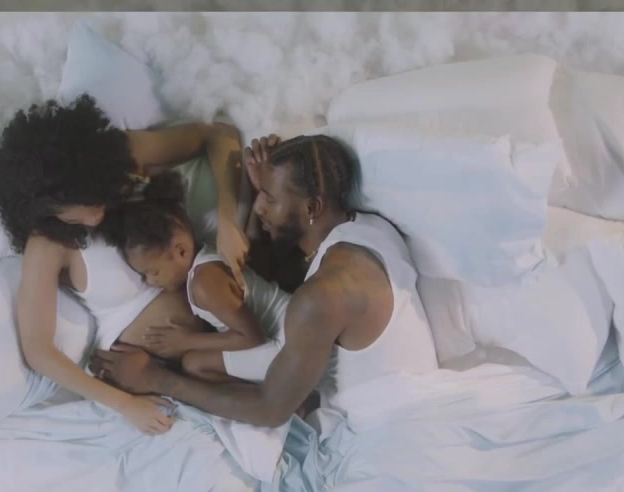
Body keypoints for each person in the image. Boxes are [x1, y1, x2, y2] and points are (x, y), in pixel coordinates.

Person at [92, 133, 439, 428]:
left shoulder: (323, 295)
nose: (258, 208)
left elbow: (270, 410)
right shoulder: (368, 229)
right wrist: (267, 193)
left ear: (311, 208)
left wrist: (154, 378)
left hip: (381, 423)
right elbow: (283, 272)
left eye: (269, 198)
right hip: (414, 396)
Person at [0, 95, 251, 436]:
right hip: (162, 371)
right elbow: (38, 350)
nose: (95, 217)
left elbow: (218, 135)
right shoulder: (47, 247)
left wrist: (228, 220)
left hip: (229, 326)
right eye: (75, 214)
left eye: (97, 198)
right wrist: (125, 405)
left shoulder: (124, 160)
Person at [98, 176, 292, 386]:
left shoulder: (204, 282)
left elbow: (253, 337)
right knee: (195, 362)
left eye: (152, 272)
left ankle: (275, 393)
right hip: (280, 335)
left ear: (181, 251)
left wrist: (186, 340)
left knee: (195, 364)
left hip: (289, 340)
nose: (149, 281)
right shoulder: (205, 261)